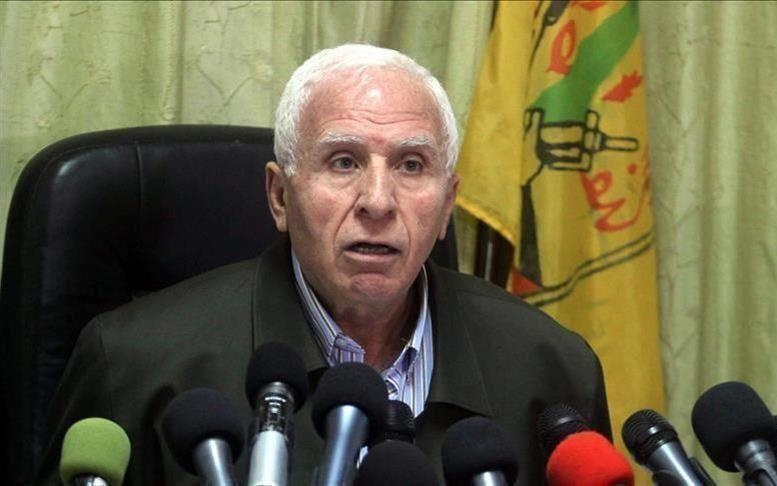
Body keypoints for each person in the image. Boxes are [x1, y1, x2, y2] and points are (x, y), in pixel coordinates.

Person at [35, 44, 610, 485]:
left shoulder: (554, 371)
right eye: (343, 162)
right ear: (279, 197)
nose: (378, 202)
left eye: (411, 165)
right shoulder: (132, 366)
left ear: (446, 206)